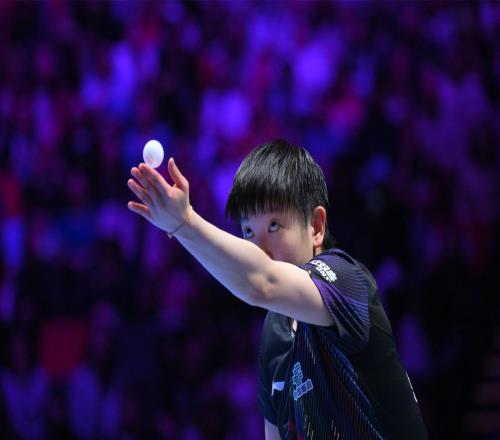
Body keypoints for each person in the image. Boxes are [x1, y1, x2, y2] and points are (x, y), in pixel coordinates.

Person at [127, 140, 428, 439]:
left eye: (274, 226)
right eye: (248, 231)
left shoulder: (345, 280)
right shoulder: (276, 332)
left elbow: (261, 282)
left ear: (316, 226)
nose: (260, 249)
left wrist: (184, 223)